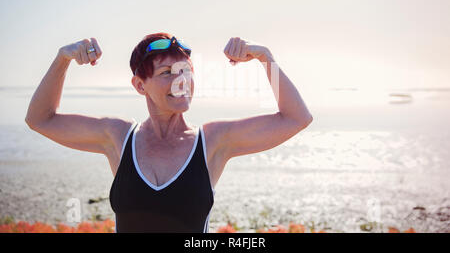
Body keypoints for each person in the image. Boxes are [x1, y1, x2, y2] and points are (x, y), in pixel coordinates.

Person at [25, 32, 313, 233]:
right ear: (140, 85)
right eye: (166, 73)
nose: (181, 82)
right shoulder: (118, 137)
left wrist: (266, 58)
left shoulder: (213, 141)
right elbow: (41, 119)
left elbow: (296, 118)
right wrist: (62, 59)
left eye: (186, 71)